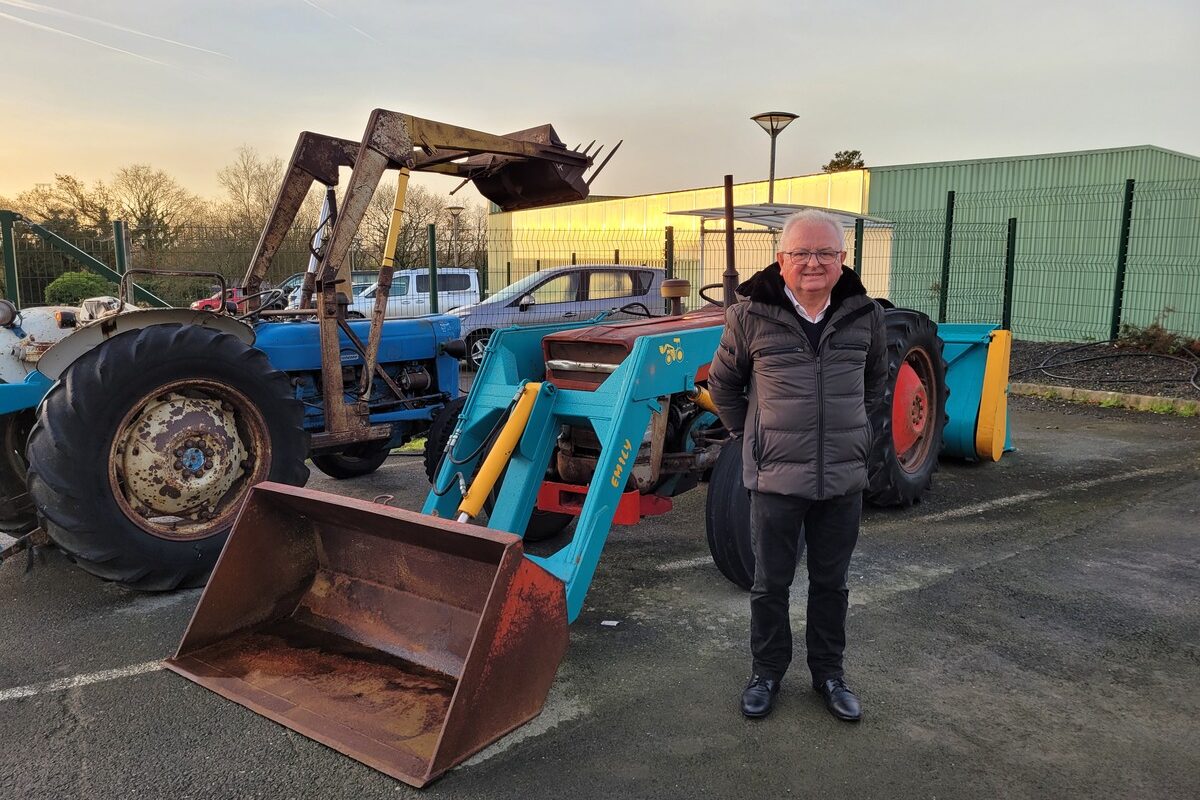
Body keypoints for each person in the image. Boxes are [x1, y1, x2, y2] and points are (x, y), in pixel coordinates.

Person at [708, 209, 887, 722]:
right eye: (801, 253)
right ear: (781, 260)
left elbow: (875, 383)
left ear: (843, 259)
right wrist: (752, 437)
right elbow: (723, 385)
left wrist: (853, 433)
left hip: (843, 480)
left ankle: (829, 674)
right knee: (771, 584)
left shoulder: (865, 315)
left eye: (825, 253)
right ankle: (766, 673)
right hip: (776, 479)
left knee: (833, 584)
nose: (813, 263)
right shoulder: (748, 316)